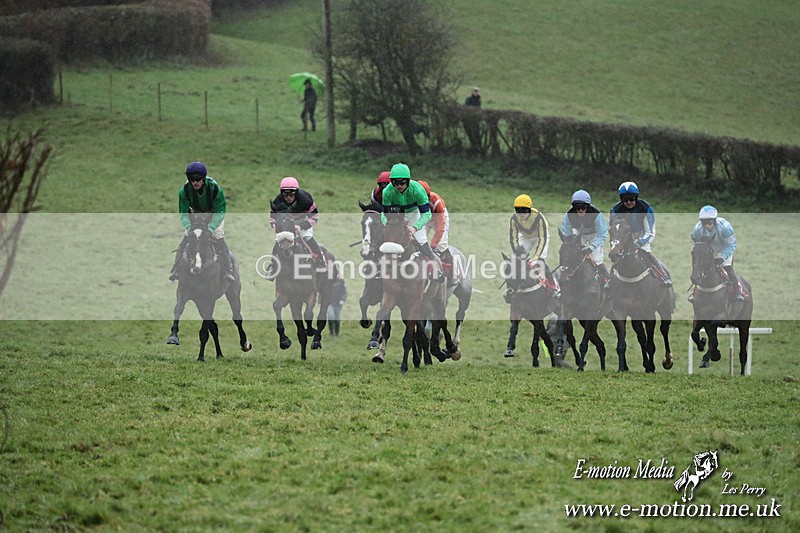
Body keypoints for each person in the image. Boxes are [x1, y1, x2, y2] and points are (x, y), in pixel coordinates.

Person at [170, 160, 234, 282]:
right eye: (192, 179)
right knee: (186, 239)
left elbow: (220, 211)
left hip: (213, 215)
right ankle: (176, 269)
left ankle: (228, 270)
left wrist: (210, 229)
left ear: (203, 178)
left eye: (198, 179)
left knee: (219, 238)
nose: (195, 182)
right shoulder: (184, 191)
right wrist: (189, 228)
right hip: (195, 215)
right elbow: (183, 213)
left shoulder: (215, 189)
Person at [381, 163, 444, 281]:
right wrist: (388, 226)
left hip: (414, 212)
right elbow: (384, 214)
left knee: (421, 240)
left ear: (408, 181)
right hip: (397, 215)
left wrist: (414, 228)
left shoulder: (418, 190)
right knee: (387, 239)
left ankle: (433, 269)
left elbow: (427, 214)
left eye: (402, 182)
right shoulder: (387, 192)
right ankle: (379, 268)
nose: (399, 186)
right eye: (395, 183)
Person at [609, 181, 671, 285]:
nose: (629, 202)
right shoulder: (616, 209)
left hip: (641, 235)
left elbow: (650, 232)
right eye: (625, 199)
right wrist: (617, 243)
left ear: (636, 197)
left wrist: (639, 243)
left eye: (631, 199)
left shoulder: (645, 208)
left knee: (646, 252)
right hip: (624, 236)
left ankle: (663, 276)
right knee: (616, 255)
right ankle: (609, 280)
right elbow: (614, 229)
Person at [265, 177, 325, 279]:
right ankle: (273, 268)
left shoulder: (305, 199)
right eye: (285, 195)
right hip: (286, 227)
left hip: (303, 224)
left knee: (308, 239)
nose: (288, 198)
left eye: (291, 194)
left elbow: (315, 216)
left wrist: (301, 226)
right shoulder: (277, 202)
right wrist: (279, 230)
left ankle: (321, 263)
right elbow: (272, 220)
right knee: (277, 243)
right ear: (281, 194)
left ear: (296, 193)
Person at [509, 193, 559, 297]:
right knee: (517, 260)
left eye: (524, 210)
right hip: (525, 237)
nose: (521, 214)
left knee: (540, 261)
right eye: (518, 210)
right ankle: (514, 286)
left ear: (530, 209)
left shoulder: (539, 218)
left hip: (540, 237)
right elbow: (513, 239)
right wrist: (518, 254)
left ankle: (553, 286)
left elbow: (542, 239)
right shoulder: (514, 219)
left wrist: (536, 257)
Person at [691, 205, 745, 301]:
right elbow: (698, 246)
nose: (707, 226)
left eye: (710, 223)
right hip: (709, 248)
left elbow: (731, 245)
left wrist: (722, 257)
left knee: (727, 267)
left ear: (715, 221)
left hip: (725, 247)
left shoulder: (725, 228)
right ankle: (695, 292)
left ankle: (737, 292)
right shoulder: (697, 229)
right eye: (704, 223)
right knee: (701, 266)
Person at [560, 189, 609, 285]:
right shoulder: (568, 215)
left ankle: (607, 282)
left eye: (583, 207)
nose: (580, 210)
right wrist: (571, 245)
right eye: (577, 207)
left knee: (597, 259)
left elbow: (602, 235)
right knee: (571, 256)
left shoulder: (596, 215)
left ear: (588, 206)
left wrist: (591, 248)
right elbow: (567, 233)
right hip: (578, 234)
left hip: (594, 235)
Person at [417, 180, 455, 285]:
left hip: (438, 217)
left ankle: (451, 276)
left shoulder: (436, 202)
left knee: (441, 245)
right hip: (424, 218)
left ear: (427, 196)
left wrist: (433, 245)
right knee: (418, 241)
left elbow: (440, 228)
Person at [463, 86, 482, 151]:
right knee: (470, 134)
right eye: (474, 91)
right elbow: (466, 108)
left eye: (477, 91)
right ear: (472, 92)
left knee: (477, 134)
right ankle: (473, 146)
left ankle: (477, 147)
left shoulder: (479, 100)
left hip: (476, 120)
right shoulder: (468, 99)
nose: (475, 92)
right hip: (469, 119)